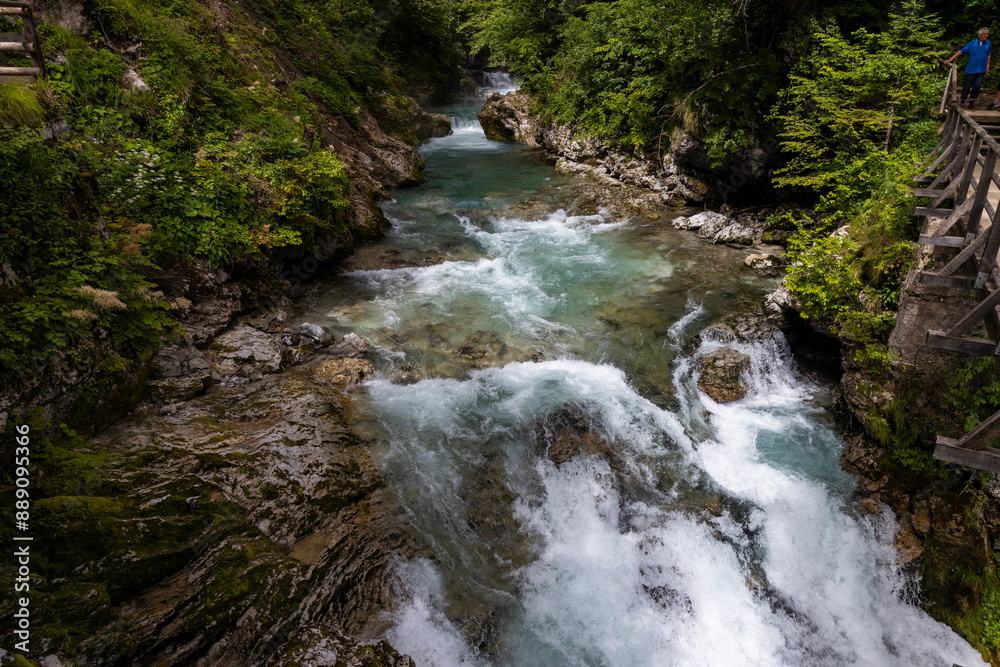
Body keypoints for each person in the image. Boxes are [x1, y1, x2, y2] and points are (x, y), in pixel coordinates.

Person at [946, 28, 992, 110]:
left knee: (977, 87)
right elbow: (961, 51)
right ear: (980, 35)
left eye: (987, 34)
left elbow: (988, 55)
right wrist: (951, 59)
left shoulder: (988, 43)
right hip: (971, 69)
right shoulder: (973, 43)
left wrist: (987, 67)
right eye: (985, 34)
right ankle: (962, 102)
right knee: (966, 86)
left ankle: (971, 103)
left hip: (981, 69)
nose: (987, 36)